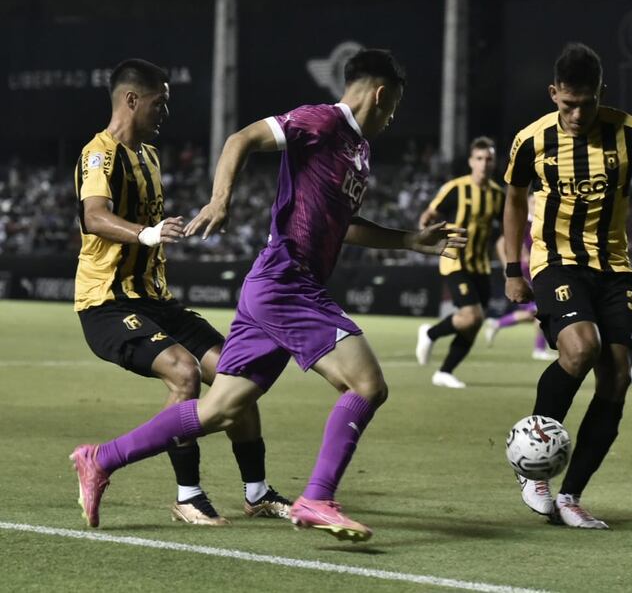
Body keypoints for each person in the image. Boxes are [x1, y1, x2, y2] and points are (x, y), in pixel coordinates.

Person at [70, 49, 466, 541]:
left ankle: (100, 458)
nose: (392, 118)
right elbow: (242, 138)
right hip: (286, 282)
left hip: (277, 287)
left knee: (220, 409)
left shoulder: (357, 151)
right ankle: (317, 497)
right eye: (393, 108)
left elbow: (342, 226)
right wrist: (220, 199)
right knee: (367, 384)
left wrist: (407, 240)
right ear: (381, 94)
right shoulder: (320, 122)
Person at [73, 58, 289, 527]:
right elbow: (93, 216)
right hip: (108, 304)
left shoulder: (149, 156)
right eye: (160, 103)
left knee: (238, 374)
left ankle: (256, 492)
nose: (164, 113)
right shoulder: (99, 153)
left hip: (156, 301)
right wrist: (147, 234)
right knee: (183, 373)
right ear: (132, 100)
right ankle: (188, 495)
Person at [503, 43, 632, 529]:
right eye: (567, 104)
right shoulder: (531, 140)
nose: (576, 114)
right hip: (555, 262)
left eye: (586, 103)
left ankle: (571, 495)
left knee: (618, 376)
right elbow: (515, 199)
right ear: (553, 93)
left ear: (601, 93)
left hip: (614, 268)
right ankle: (532, 466)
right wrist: (514, 270)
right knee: (581, 348)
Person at [415, 137, 505, 388]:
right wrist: (425, 230)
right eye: (479, 159)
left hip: (481, 266)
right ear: (470, 161)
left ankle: (444, 372)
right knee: (471, 316)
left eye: (489, 159)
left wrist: (511, 265)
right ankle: (430, 333)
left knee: (473, 325)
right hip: (455, 261)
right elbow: (429, 215)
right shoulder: (456, 188)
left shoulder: (498, 195)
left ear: (494, 163)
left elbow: (506, 232)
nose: (484, 164)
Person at [484, 195, 555, 361]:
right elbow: (501, 243)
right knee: (539, 311)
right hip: (525, 272)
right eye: (532, 202)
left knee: (537, 312)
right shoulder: (524, 221)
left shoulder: (540, 221)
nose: (536, 204)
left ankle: (498, 324)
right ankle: (538, 349)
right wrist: (508, 266)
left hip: (537, 269)